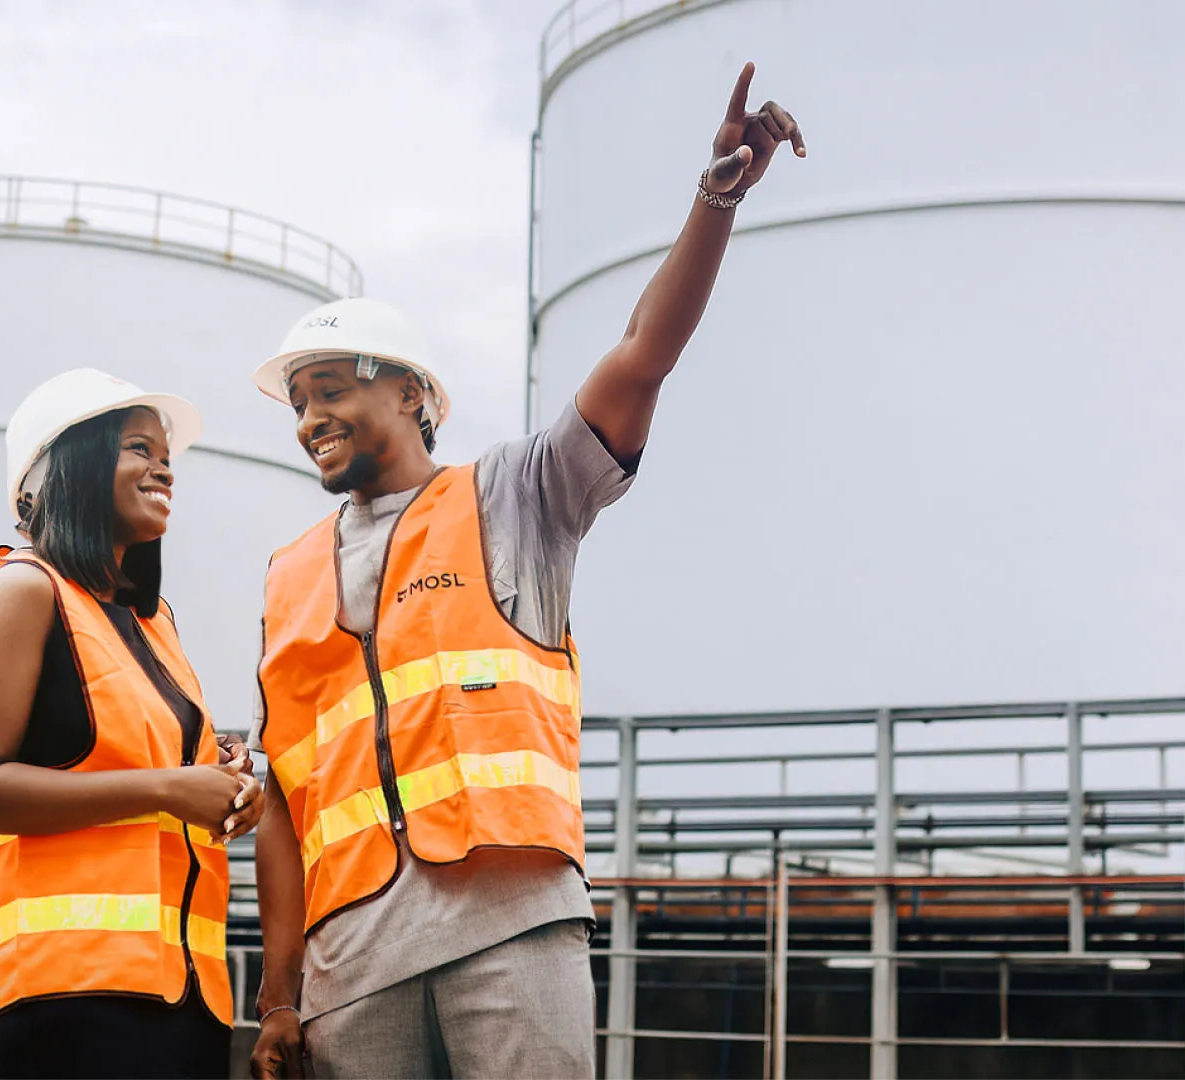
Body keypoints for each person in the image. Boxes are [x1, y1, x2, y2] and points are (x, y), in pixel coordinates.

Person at [246, 63, 804, 1079]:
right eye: (298, 404)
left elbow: (640, 354)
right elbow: (282, 805)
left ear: (416, 394)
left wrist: (713, 200)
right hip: (347, 971)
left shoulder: (517, 495)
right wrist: (278, 997)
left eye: (330, 388)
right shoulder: (286, 577)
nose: (311, 417)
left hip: (506, 930)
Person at [0, 368, 265, 1079]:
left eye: (165, 453)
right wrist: (169, 790)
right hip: (73, 989)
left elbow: (149, 769)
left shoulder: (151, 624)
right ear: (68, 469)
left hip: (183, 988)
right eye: (137, 447)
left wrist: (229, 792)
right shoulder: (24, 591)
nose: (163, 465)